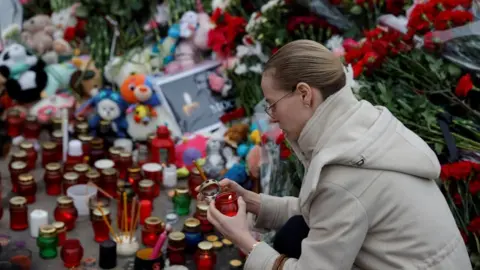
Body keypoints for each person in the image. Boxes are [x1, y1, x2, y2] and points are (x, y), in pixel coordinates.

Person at [198, 40, 472, 270]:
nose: (271, 118)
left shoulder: (345, 171)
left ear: (304, 94)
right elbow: (328, 212)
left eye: (272, 105)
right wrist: (254, 202)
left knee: (291, 238)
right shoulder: (362, 126)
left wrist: (246, 240)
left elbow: (339, 201)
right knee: (294, 234)